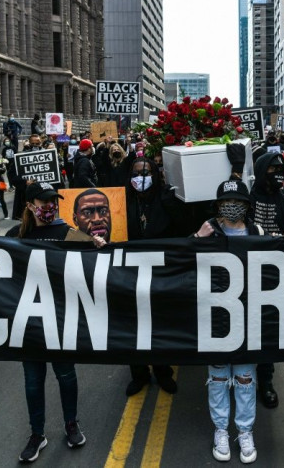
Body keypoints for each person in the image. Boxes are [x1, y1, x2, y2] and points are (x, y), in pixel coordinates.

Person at [4, 182, 102, 462]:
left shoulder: (69, 234)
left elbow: (95, 265)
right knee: (33, 382)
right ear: (29, 204)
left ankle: (71, 423)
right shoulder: (15, 235)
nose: (49, 206)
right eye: (43, 201)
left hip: (60, 320)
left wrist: (98, 246)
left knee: (66, 376)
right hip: (29, 323)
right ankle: (37, 433)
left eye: (52, 201)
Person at [193, 179, 263, 463]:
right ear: (217, 205)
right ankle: (221, 428)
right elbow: (182, 263)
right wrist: (197, 239)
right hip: (216, 318)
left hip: (247, 318)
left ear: (246, 206)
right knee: (219, 377)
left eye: (237, 203)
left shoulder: (257, 231)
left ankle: (245, 430)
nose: (231, 208)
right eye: (225, 203)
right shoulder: (207, 230)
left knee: (245, 378)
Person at [124, 157, 179, 397]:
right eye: (136, 173)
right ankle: (139, 374)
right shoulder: (123, 201)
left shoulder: (165, 199)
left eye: (146, 173)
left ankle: (162, 371)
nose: (141, 178)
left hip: (159, 274)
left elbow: (179, 229)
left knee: (159, 326)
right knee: (131, 327)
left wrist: (172, 204)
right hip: (128, 274)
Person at [248, 152, 284, 408]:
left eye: (282, 169)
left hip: (273, 279)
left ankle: (265, 382)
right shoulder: (248, 198)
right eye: (273, 169)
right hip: (245, 275)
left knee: (266, 332)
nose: (278, 173)